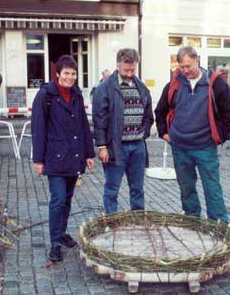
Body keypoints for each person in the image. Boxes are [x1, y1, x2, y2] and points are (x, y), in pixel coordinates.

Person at [154, 46, 230, 223]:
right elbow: (160, 110)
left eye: (188, 66)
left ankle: (219, 224)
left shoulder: (216, 84)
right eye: (182, 67)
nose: (185, 71)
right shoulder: (175, 84)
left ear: (197, 60)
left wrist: (219, 136)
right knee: (186, 187)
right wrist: (164, 133)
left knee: (212, 187)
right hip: (180, 147)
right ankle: (192, 220)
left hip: (205, 147)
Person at [31, 55, 95, 262]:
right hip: (55, 157)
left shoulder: (77, 94)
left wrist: (89, 153)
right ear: (57, 74)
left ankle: (62, 232)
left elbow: (84, 125)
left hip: (74, 156)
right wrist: (38, 160)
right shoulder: (45, 95)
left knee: (67, 199)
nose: (70, 77)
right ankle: (54, 243)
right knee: (57, 199)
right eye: (66, 73)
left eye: (73, 73)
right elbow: (38, 129)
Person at [92, 48, 154, 214]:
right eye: (126, 69)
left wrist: (143, 133)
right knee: (112, 189)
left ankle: (138, 219)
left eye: (133, 69)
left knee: (137, 188)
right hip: (115, 147)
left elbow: (149, 114)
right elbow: (99, 119)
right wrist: (102, 146)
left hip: (138, 147)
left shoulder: (141, 86)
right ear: (118, 65)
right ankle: (112, 223)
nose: (130, 73)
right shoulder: (105, 88)